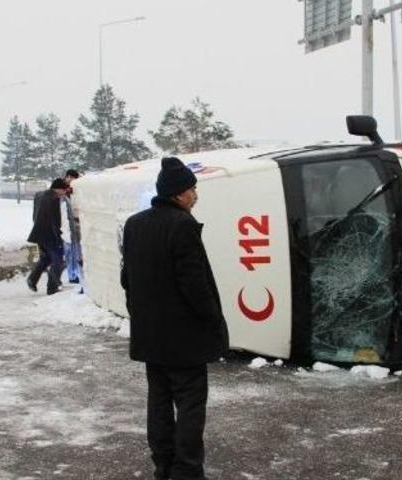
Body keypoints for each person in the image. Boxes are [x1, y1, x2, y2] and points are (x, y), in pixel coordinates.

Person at [120, 157, 229, 480]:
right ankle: (187, 470)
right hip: (185, 338)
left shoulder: (134, 224)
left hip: (151, 335)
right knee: (191, 405)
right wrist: (211, 319)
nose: (196, 195)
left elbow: (128, 278)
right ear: (178, 193)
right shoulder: (182, 225)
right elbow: (193, 283)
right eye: (192, 189)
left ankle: (164, 466)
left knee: (159, 402)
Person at [26, 178, 68, 295]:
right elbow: (54, 220)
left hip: (38, 233)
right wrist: (58, 236)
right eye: (64, 190)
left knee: (46, 258)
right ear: (58, 189)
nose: (64, 193)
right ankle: (52, 287)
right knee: (58, 260)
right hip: (50, 234)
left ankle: (32, 279)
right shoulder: (53, 199)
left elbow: (35, 214)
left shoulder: (40, 195)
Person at [61, 169, 82, 284]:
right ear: (69, 177)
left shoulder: (68, 189)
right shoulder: (63, 190)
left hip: (71, 225)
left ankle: (73, 274)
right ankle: (72, 275)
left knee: (73, 251)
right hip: (66, 226)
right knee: (70, 252)